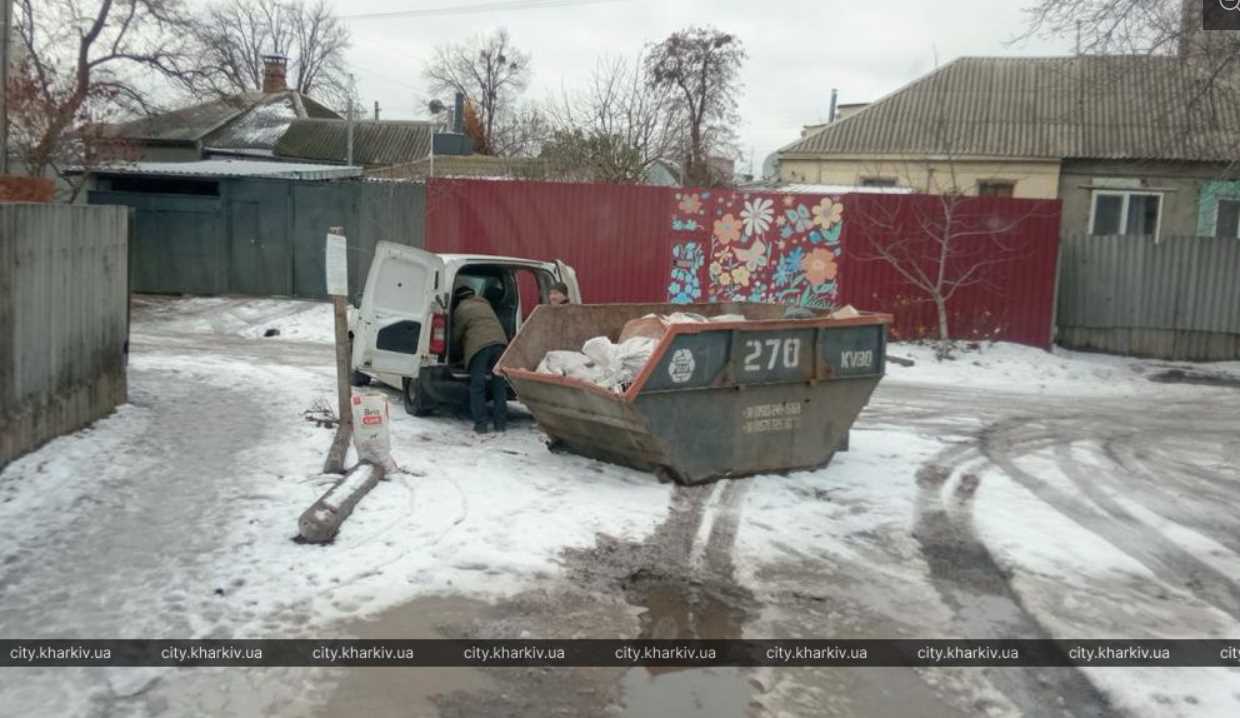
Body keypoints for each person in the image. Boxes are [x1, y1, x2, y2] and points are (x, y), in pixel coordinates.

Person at [451, 285, 508, 434]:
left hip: (479, 347)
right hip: (500, 344)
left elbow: (457, 335)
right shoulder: (485, 304)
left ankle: (481, 425)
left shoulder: (461, 309)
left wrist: (453, 349)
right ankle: (500, 424)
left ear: (459, 298)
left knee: (478, 386)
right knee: (499, 385)